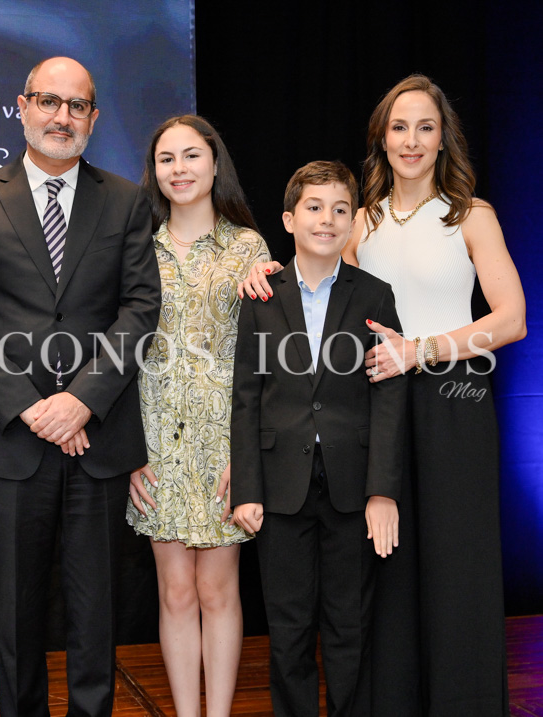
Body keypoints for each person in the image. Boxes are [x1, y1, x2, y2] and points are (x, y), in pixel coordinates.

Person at [240, 76, 527, 716]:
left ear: (443, 138)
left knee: (456, 563)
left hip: (453, 401)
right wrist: (264, 270)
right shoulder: (360, 221)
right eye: (400, 127)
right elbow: (312, 275)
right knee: (384, 571)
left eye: (426, 127)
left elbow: (512, 320)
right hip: (373, 406)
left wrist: (419, 350)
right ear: (382, 138)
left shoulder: (471, 214)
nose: (412, 140)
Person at [0, 57, 161, 717]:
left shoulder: (126, 200)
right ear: (22, 106)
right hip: (11, 439)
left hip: (99, 439)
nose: (62, 116)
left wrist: (81, 399)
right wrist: (33, 407)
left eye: (77, 105)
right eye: (49, 101)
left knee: (96, 610)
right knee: (16, 610)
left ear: (94, 117)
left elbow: (140, 308)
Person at [231, 160, 407, 717]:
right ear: (289, 219)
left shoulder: (375, 295)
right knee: (288, 629)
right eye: (314, 207)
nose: (326, 219)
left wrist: (382, 490)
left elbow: (388, 398)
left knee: (348, 626)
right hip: (280, 488)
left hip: (353, 490)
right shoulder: (261, 296)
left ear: (353, 222)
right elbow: (246, 396)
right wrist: (247, 489)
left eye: (339, 210)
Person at [126, 115, 270, 716]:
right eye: (167, 159)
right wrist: (128, 453)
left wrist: (249, 458)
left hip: (225, 446)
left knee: (217, 589)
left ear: (215, 164)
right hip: (156, 445)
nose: (179, 169)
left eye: (191, 156)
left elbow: (267, 363)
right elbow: (117, 356)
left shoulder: (248, 249)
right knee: (176, 591)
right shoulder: (134, 248)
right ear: (154, 172)